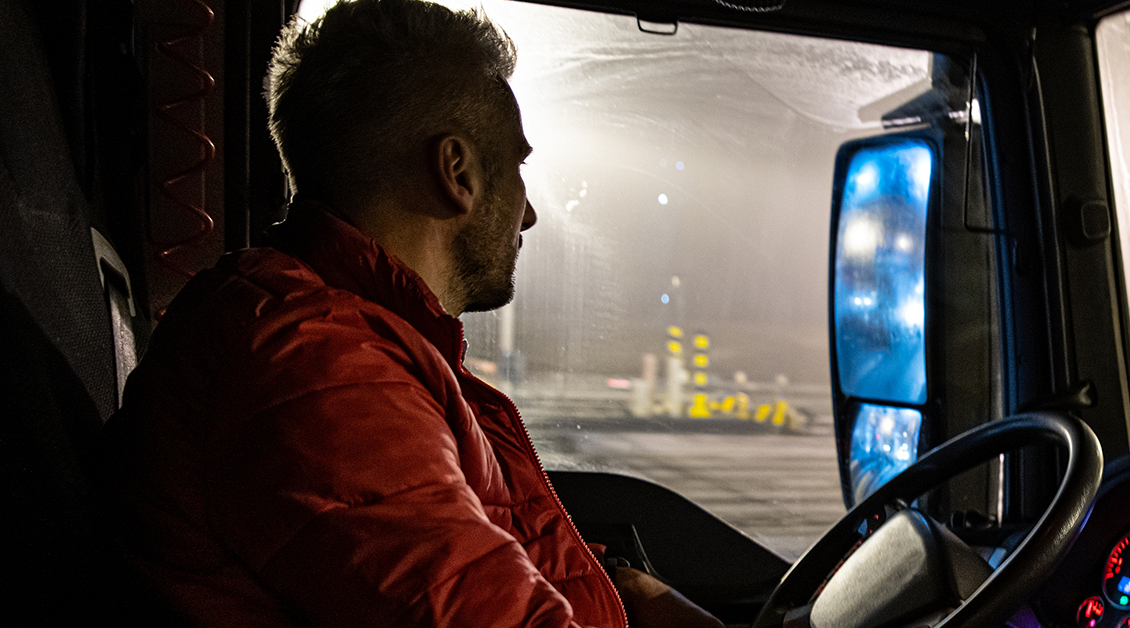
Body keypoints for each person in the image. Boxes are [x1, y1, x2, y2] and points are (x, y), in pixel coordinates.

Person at [99, 1, 725, 626]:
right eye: (517, 167)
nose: (528, 213)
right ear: (456, 171)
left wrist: (620, 588)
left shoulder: (349, 339)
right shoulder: (316, 364)